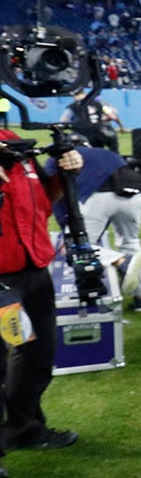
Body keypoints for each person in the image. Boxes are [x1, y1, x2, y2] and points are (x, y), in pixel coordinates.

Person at [0, 130, 82, 455]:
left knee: (37, 355)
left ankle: (24, 429)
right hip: (2, 275)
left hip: (33, 268)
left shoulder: (16, 144)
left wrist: (66, 175)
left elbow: (41, 204)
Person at [46, 146, 141, 312]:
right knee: (131, 242)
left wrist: (66, 231)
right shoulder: (104, 152)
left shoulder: (57, 158)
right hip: (134, 194)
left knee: (75, 246)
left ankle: (121, 261)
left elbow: (57, 197)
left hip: (99, 195)